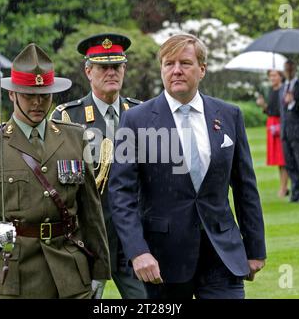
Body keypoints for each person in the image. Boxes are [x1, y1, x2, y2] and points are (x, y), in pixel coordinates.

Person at [109, 34, 266, 299]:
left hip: (221, 255)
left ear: (202, 69)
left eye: (185, 63)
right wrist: (138, 251)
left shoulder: (229, 115)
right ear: (161, 69)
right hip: (162, 260)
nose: (176, 70)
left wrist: (255, 249)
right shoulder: (135, 120)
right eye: (169, 64)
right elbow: (121, 194)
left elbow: (245, 187)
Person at [0, 43, 110, 298]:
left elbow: (91, 212)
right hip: (13, 275)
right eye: (29, 95)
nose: (38, 102)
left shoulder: (75, 138)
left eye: (44, 95)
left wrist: (100, 271)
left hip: (70, 274)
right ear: (12, 95)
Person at [51, 33, 147, 299]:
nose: (111, 72)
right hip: (89, 234)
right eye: (103, 67)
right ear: (88, 71)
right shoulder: (68, 117)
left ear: (124, 69)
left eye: (116, 66)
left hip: (132, 234)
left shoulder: (141, 112)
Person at [280, 60, 299, 202]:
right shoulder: (283, 87)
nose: (288, 71)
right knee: (290, 164)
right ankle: (296, 192)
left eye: (290, 69)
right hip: (285, 132)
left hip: (298, 132)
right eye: (286, 69)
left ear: (295, 70)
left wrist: (293, 102)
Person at [256, 70, 288, 198]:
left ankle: (284, 187)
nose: (272, 78)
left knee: (283, 158)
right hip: (272, 124)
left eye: (274, 75)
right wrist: (263, 105)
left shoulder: (284, 90)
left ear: (281, 76)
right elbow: (270, 111)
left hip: (281, 124)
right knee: (278, 159)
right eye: (270, 76)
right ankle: (283, 186)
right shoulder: (271, 91)